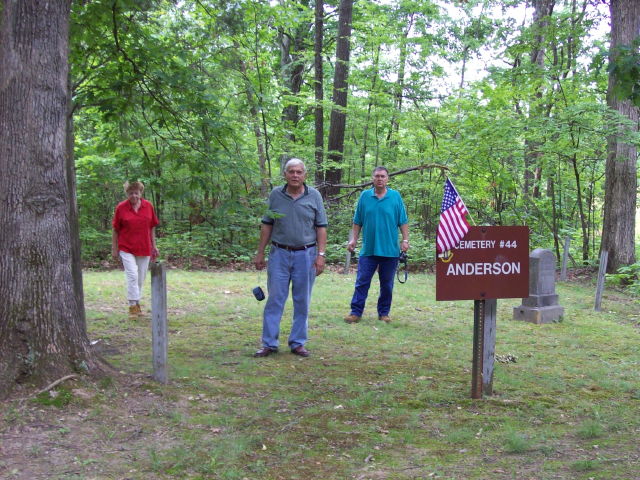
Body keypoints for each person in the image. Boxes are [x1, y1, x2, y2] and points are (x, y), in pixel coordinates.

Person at [253, 158, 328, 358]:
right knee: (275, 299)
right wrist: (260, 252)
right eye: (291, 172)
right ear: (285, 174)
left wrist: (321, 255)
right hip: (279, 254)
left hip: (306, 254)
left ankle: (297, 342)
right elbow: (267, 224)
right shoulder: (276, 195)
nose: (295, 175)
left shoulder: (315, 196)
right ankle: (269, 343)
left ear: (305, 175)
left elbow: (321, 227)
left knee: (302, 300)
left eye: (299, 172)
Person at [344, 166, 409, 324]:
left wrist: (405, 240)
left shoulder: (395, 197)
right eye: (377, 176)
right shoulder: (365, 196)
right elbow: (357, 220)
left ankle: (384, 313)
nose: (380, 179)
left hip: (390, 251)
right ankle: (356, 312)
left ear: (387, 179)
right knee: (362, 282)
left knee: (387, 285)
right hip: (369, 250)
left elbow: (403, 220)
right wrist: (353, 239)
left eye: (383, 176)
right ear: (372, 178)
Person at [111, 181, 159, 317]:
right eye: (130, 193)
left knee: (141, 278)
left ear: (140, 193)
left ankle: (136, 302)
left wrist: (154, 246)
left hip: (144, 247)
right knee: (132, 275)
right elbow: (115, 229)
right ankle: (133, 305)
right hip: (126, 247)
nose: (134, 195)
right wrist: (114, 248)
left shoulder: (148, 206)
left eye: (136, 192)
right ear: (127, 193)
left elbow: (152, 227)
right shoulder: (121, 207)